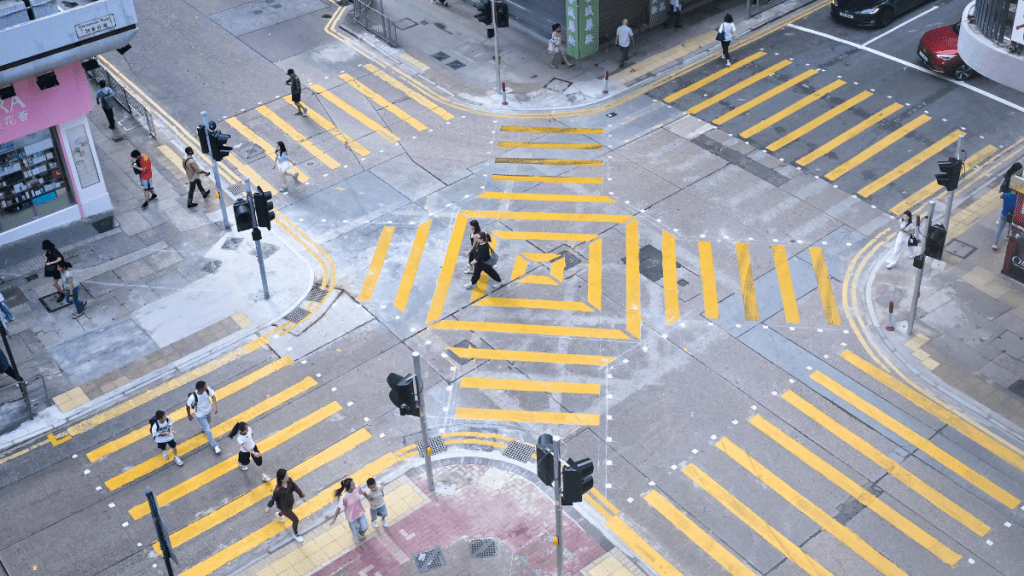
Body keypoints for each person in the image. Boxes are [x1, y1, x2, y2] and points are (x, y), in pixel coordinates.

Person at [266, 468, 305, 542]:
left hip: (290, 503)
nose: (288, 477)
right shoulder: (278, 490)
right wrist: (268, 506)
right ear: (281, 479)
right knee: (295, 520)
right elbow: (273, 499)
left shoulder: (289, 481)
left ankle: (279, 515)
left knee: (287, 513)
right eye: (286, 476)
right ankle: (296, 534)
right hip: (284, 507)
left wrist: (302, 495)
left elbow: (295, 487)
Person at [330, 478, 369, 544]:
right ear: (348, 488)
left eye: (353, 482)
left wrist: (370, 500)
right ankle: (358, 542)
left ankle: (361, 532)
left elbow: (364, 492)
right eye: (352, 484)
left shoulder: (357, 488)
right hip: (351, 518)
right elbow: (338, 508)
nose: (354, 484)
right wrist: (334, 519)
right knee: (356, 538)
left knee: (365, 526)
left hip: (360, 512)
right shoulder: (344, 497)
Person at [185, 380, 220, 453]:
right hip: (200, 415)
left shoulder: (207, 389)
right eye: (205, 386)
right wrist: (189, 414)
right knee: (208, 430)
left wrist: (215, 406)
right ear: (201, 389)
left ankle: (203, 428)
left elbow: (213, 396)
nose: (206, 386)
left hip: (208, 411)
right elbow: (188, 405)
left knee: (208, 422)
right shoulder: (192, 397)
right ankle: (215, 446)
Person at [994, 162, 1022, 250]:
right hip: (1011, 214)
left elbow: (1001, 195)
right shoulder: (1017, 198)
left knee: (999, 228)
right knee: (1010, 226)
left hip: (1004, 213)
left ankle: (995, 244)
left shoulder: (1006, 195)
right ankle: (1007, 237)